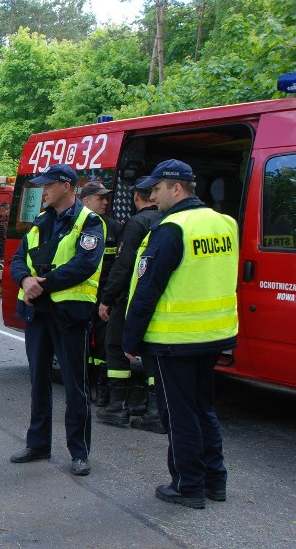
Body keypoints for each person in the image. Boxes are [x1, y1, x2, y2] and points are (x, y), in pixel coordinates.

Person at [123, 159, 238, 509]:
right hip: (214, 335)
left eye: (157, 189)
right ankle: (215, 482)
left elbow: (147, 290)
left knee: (179, 414)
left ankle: (188, 486)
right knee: (203, 408)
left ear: (176, 188)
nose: (153, 197)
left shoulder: (172, 228)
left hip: (175, 340)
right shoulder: (225, 223)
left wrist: (130, 339)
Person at [8, 164, 106, 476]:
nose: (43, 191)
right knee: (38, 381)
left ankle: (79, 453)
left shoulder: (89, 222)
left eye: (47, 185)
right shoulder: (40, 222)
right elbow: (16, 260)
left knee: (75, 386)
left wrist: (42, 284)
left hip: (69, 316)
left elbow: (83, 265)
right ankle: (38, 445)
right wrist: (25, 281)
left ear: (65, 185)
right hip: (38, 313)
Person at [97, 179, 165, 433]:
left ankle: (118, 407)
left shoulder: (136, 223)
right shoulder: (167, 220)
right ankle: (155, 411)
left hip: (130, 298)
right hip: (158, 299)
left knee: (115, 346)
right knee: (151, 352)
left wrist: (107, 297)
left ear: (137, 196)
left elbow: (123, 266)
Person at [78, 181, 122, 407]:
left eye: (107, 198)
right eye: (100, 198)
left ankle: (102, 389)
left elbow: (118, 264)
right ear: (86, 201)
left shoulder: (113, 226)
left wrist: (109, 296)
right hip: (82, 295)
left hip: (104, 295)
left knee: (104, 344)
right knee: (81, 342)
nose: (105, 202)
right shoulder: (77, 225)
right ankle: (83, 385)